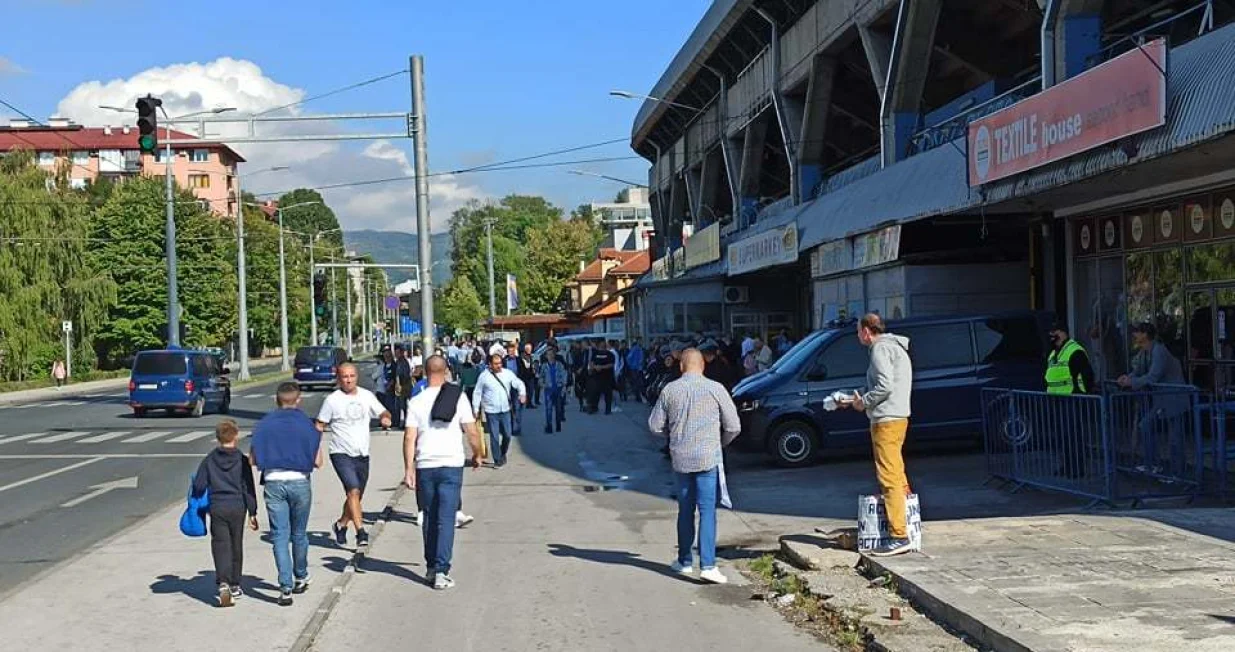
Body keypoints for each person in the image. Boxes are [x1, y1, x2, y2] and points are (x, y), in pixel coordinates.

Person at [648, 349, 740, 585]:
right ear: (703, 366)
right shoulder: (716, 389)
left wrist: (671, 436)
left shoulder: (670, 390)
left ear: (681, 367)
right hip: (708, 457)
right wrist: (720, 443)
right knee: (707, 511)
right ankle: (708, 565)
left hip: (681, 458)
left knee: (685, 510)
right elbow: (734, 426)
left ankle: (685, 560)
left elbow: (654, 426)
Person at [403, 355, 484, 590]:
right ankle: (441, 571)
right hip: (451, 464)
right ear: (446, 371)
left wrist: (409, 468)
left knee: (428, 516)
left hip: (425, 466)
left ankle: (430, 567)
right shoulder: (458, 398)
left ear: (425, 373)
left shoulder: (416, 401)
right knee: (446, 518)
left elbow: (410, 437)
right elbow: (471, 431)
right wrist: (478, 454)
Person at [845, 313, 914, 557]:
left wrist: (863, 402)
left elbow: (884, 386)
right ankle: (908, 525)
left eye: (858, 332)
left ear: (866, 331)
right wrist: (860, 396)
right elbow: (886, 383)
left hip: (886, 419)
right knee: (898, 470)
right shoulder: (896, 347)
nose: (858, 337)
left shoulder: (879, 349)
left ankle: (899, 535)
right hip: (899, 416)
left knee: (888, 476)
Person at [249, 382, 324, 606]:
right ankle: (301, 576)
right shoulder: (308, 426)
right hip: (300, 482)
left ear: (276, 399)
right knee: (299, 533)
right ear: (298, 400)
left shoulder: (263, 425)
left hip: (273, 482)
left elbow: (253, 460)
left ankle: (285, 587)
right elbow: (318, 462)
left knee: (280, 535)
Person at [317, 362, 392, 549]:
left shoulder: (366, 396)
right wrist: (315, 451)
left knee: (357, 496)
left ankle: (341, 524)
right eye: (344, 377)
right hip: (340, 452)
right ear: (338, 379)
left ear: (356, 377)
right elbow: (319, 425)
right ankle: (361, 531)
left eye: (351, 376)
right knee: (353, 490)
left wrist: (385, 417)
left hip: (362, 453)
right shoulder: (332, 400)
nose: (348, 380)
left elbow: (383, 411)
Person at [191, 419, 258, 607]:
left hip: (218, 506)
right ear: (236, 436)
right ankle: (235, 584)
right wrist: (253, 511)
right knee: (236, 544)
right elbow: (248, 486)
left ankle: (223, 582)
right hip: (238, 506)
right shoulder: (242, 460)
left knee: (221, 545)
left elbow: (199, 485)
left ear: (217, 438)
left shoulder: (209, 459)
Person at [474, 353, 526, 468]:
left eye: (500, 363)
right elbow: (477, 393)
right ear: (490, 364)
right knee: (494, 436)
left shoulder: (507, 374)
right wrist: (475, 408)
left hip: (505, 410)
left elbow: (518, 382)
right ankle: (497, 460)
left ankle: (502, 453)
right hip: (491, 411)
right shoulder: (484, 376)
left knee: (507, 435)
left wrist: (522, 393)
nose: (499, 366)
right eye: (496, 364)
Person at [1046, 322, 1095, 396]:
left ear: (1063, 333)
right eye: (1050, 332)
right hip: (1053, 399)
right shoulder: (1052, 354)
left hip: (1071, 399)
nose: (1051, 334)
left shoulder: (1075, 351)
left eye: (1054, 332)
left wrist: (1081, 395)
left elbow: (1087, 377)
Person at [539, 347, 568, 433]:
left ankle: (558, 425)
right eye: (549, 355)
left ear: (554, 355)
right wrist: (542, 384)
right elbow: (541, 377)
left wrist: (564, 386)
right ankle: (549, 426)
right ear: (546, 356)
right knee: (548, 409)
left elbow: (564, 375)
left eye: (552, 354)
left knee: (558, 409)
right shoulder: (544, 366)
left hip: (558, 389)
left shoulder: (559, 365)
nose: (550, 356)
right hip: (548, 390)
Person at [588, 339, 616, 414]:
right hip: (596, 377)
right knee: (595, 393)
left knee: (608, 394)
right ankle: (594, 408)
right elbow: (591, 363)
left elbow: (611, 364)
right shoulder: (595, 353)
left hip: (607, 377)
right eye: (601, 343)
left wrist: (602, 367)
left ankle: (608, 409)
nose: (603, 344)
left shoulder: (610, 354)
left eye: (604, 343)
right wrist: (594, 367)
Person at [392, 345, 414, 429]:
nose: (397, 354)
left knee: (409, 404)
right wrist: (397, 384)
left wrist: (399, 384)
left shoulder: (405, 361)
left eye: (398, 353)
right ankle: (404, 421)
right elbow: (397, 374)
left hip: (406, 385)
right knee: (402, 405)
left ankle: (408, 421)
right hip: (401, 384)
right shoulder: (398, 362)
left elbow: (406, 374)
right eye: (396, 353)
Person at [518, 342, 540, 409]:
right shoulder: (521, 357)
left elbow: (532, 366)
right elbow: (523, 367)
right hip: (523, 376)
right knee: (524, 391)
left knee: (530, 391)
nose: (529, 350)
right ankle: (522, 403)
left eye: (530, 348)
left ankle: (529, 403)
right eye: (528, 349)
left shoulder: (530, 356)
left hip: (530, 376)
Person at [625, 339, 645, 403]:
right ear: (638, 341)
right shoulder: (635, 349)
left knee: (639, 382)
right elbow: (628, 358)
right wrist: (632, 366)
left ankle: (639, 396)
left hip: (638, 368)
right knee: (637, 383)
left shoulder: (640, 349)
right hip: (635, 368)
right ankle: (638, 396)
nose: (641, 342)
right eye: (640, 341)